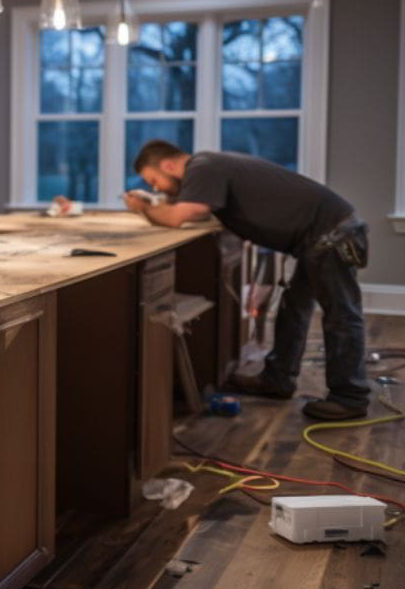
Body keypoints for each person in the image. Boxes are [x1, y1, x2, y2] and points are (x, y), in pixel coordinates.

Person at [126, 140, 370, 422]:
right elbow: (190, 208)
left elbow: (182, 215)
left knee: (341, 314)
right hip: (319, 236)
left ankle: (350, 398)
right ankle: (278, 379)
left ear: (168, 166)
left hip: (331, 234)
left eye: (154, 180)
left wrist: (142, 207)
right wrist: (156, 205)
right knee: (294, 308)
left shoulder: (203, 167)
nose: (156, 188)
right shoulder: (208, 167)